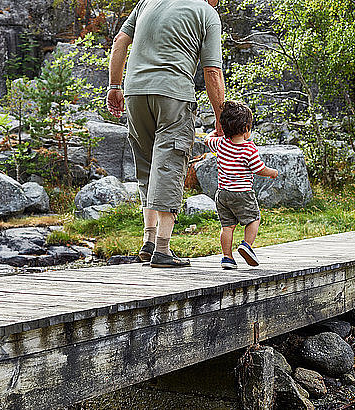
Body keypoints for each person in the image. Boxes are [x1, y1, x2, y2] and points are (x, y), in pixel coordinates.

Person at [107, 0, 225, 268]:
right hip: (174, 94)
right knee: (170, 163)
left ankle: (148, 241)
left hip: (135, 93)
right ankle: (162, 249)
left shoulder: (146, 2)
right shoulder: (207, 13)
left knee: (148, 166)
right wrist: (221, 119)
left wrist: (114, 85)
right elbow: (212, 71)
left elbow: (119, 42)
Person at [203, 100, 278, 269]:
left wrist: (215, 133)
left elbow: (208, 140)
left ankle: (227, 258)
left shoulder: (220, 143)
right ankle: (247, 245)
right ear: (245, 129)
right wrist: (272, 172)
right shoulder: (248, 149)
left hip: (222, 194)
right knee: (254, 219)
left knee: (227, 226)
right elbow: (259, 169)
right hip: (242, 193)